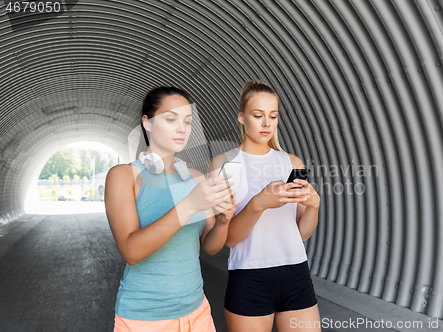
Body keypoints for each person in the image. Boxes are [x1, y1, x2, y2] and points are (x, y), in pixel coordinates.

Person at [105, 86, 237, 332]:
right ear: (147, 123)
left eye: (187, 121)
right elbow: (131, 251)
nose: (181, 128)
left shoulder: (196, 178)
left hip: (197, 312)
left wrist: (223, 221)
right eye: (170, 119)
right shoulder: (124, 176)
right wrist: (189, 205)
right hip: (145, 317)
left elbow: (210, 247)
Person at [210, 81, 321, 332]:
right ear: (241, 117)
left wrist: (314, 206)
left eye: (273, 116)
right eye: (258, 115)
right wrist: (258, 204)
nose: (266, 123)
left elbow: (301, 233)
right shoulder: (224, 163)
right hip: (249, 278)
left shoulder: (292, 162)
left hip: (296, 275)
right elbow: (228, 239)